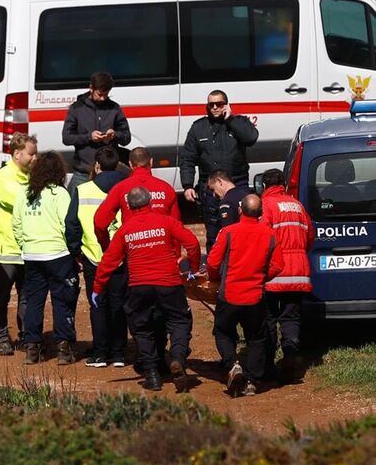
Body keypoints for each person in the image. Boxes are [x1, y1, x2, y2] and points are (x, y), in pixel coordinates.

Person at [93, 187, 201, 392]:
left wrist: (98, 287)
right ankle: (177, 357)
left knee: (142, 329)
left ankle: (152, 375)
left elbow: (109, 261)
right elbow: (193, 243)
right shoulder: (166, 221)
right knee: (179, 320)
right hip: (169, 283)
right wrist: (193, 269)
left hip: (138, 286)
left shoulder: (125, 229)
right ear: (150, 201)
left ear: (129, 206)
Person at [206, 194, 285, 397]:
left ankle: (233, 365)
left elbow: (213, 262)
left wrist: (216, 278)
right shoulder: (269, 235)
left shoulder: (228, 232)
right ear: (260, 213)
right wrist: (261, 277)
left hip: (230, 294)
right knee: (256, 338)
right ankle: (252, 381)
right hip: (255, 297)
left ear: (240, 210)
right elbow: (278, 265)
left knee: (223, 331)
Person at [13, 152, 80, 366]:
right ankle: (63, 349)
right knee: (62, 302)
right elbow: (67, 225)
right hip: (58, 255)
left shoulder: (25, 193)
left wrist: (26, 245)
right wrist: (73, 251)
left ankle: (32, 349)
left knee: (34, 301)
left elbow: (17, 225)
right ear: (58, 172)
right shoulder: (59, 194)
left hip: (32, 256)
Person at [65, 146, 128, 367]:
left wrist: (77, 252)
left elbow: (71, 225)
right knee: (118, 304)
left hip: (93, 257)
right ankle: (119, 353)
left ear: (97, 166)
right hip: (122, 258)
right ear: (117, 165)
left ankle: (101, 353)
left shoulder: (83, 190)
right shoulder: (127, 189)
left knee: (98, 305)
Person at [180, 90, 258, 253]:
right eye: (211, 104)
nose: (215, 107)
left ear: (226, 105)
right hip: (210, 188)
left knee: (241, 228)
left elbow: (251, 138)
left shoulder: (239, 122)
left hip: (237, 185)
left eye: (219, 104)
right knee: (214, 232)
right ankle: (214, 269)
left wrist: (231, 119)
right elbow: (187, 158)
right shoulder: (198, 127)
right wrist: (187, 185)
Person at [259, 168, 315, 382]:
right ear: (282, 184)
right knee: (291, 316)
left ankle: (268, 365)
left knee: (269, 318)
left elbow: (262, 238)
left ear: (264, 186)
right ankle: (291, 353)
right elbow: (310, 236)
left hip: (275, 272)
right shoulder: (298, 206)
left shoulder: (266, 205)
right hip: (299, 271)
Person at [0, 132, 37, 355]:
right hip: (7, 249)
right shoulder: (4, 177)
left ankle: (27, 337)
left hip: (27, 249)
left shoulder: (28, 176)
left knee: (27, 297)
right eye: (31, 154)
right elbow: (24, 202)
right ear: (17, 154)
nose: (36, 158)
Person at [93, 146, 180, 252]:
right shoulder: (166, 188)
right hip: (163, 252)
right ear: (151, 162)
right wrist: (175, 253)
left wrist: (107, 246)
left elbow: (99, 222)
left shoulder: (120, 188)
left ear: (130, 164)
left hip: (133, 252)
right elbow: (176, 226)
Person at [61, 71, 131, 196]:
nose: (103, 98)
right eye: (99, 94)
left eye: (106, 94)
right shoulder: (76, 108)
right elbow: (66, 137)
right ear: (91, 88)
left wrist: (115, 135)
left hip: (109, 171)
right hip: (83, 171)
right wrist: (89, 137)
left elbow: (126, 137)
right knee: (74, 206)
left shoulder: (114, 108)